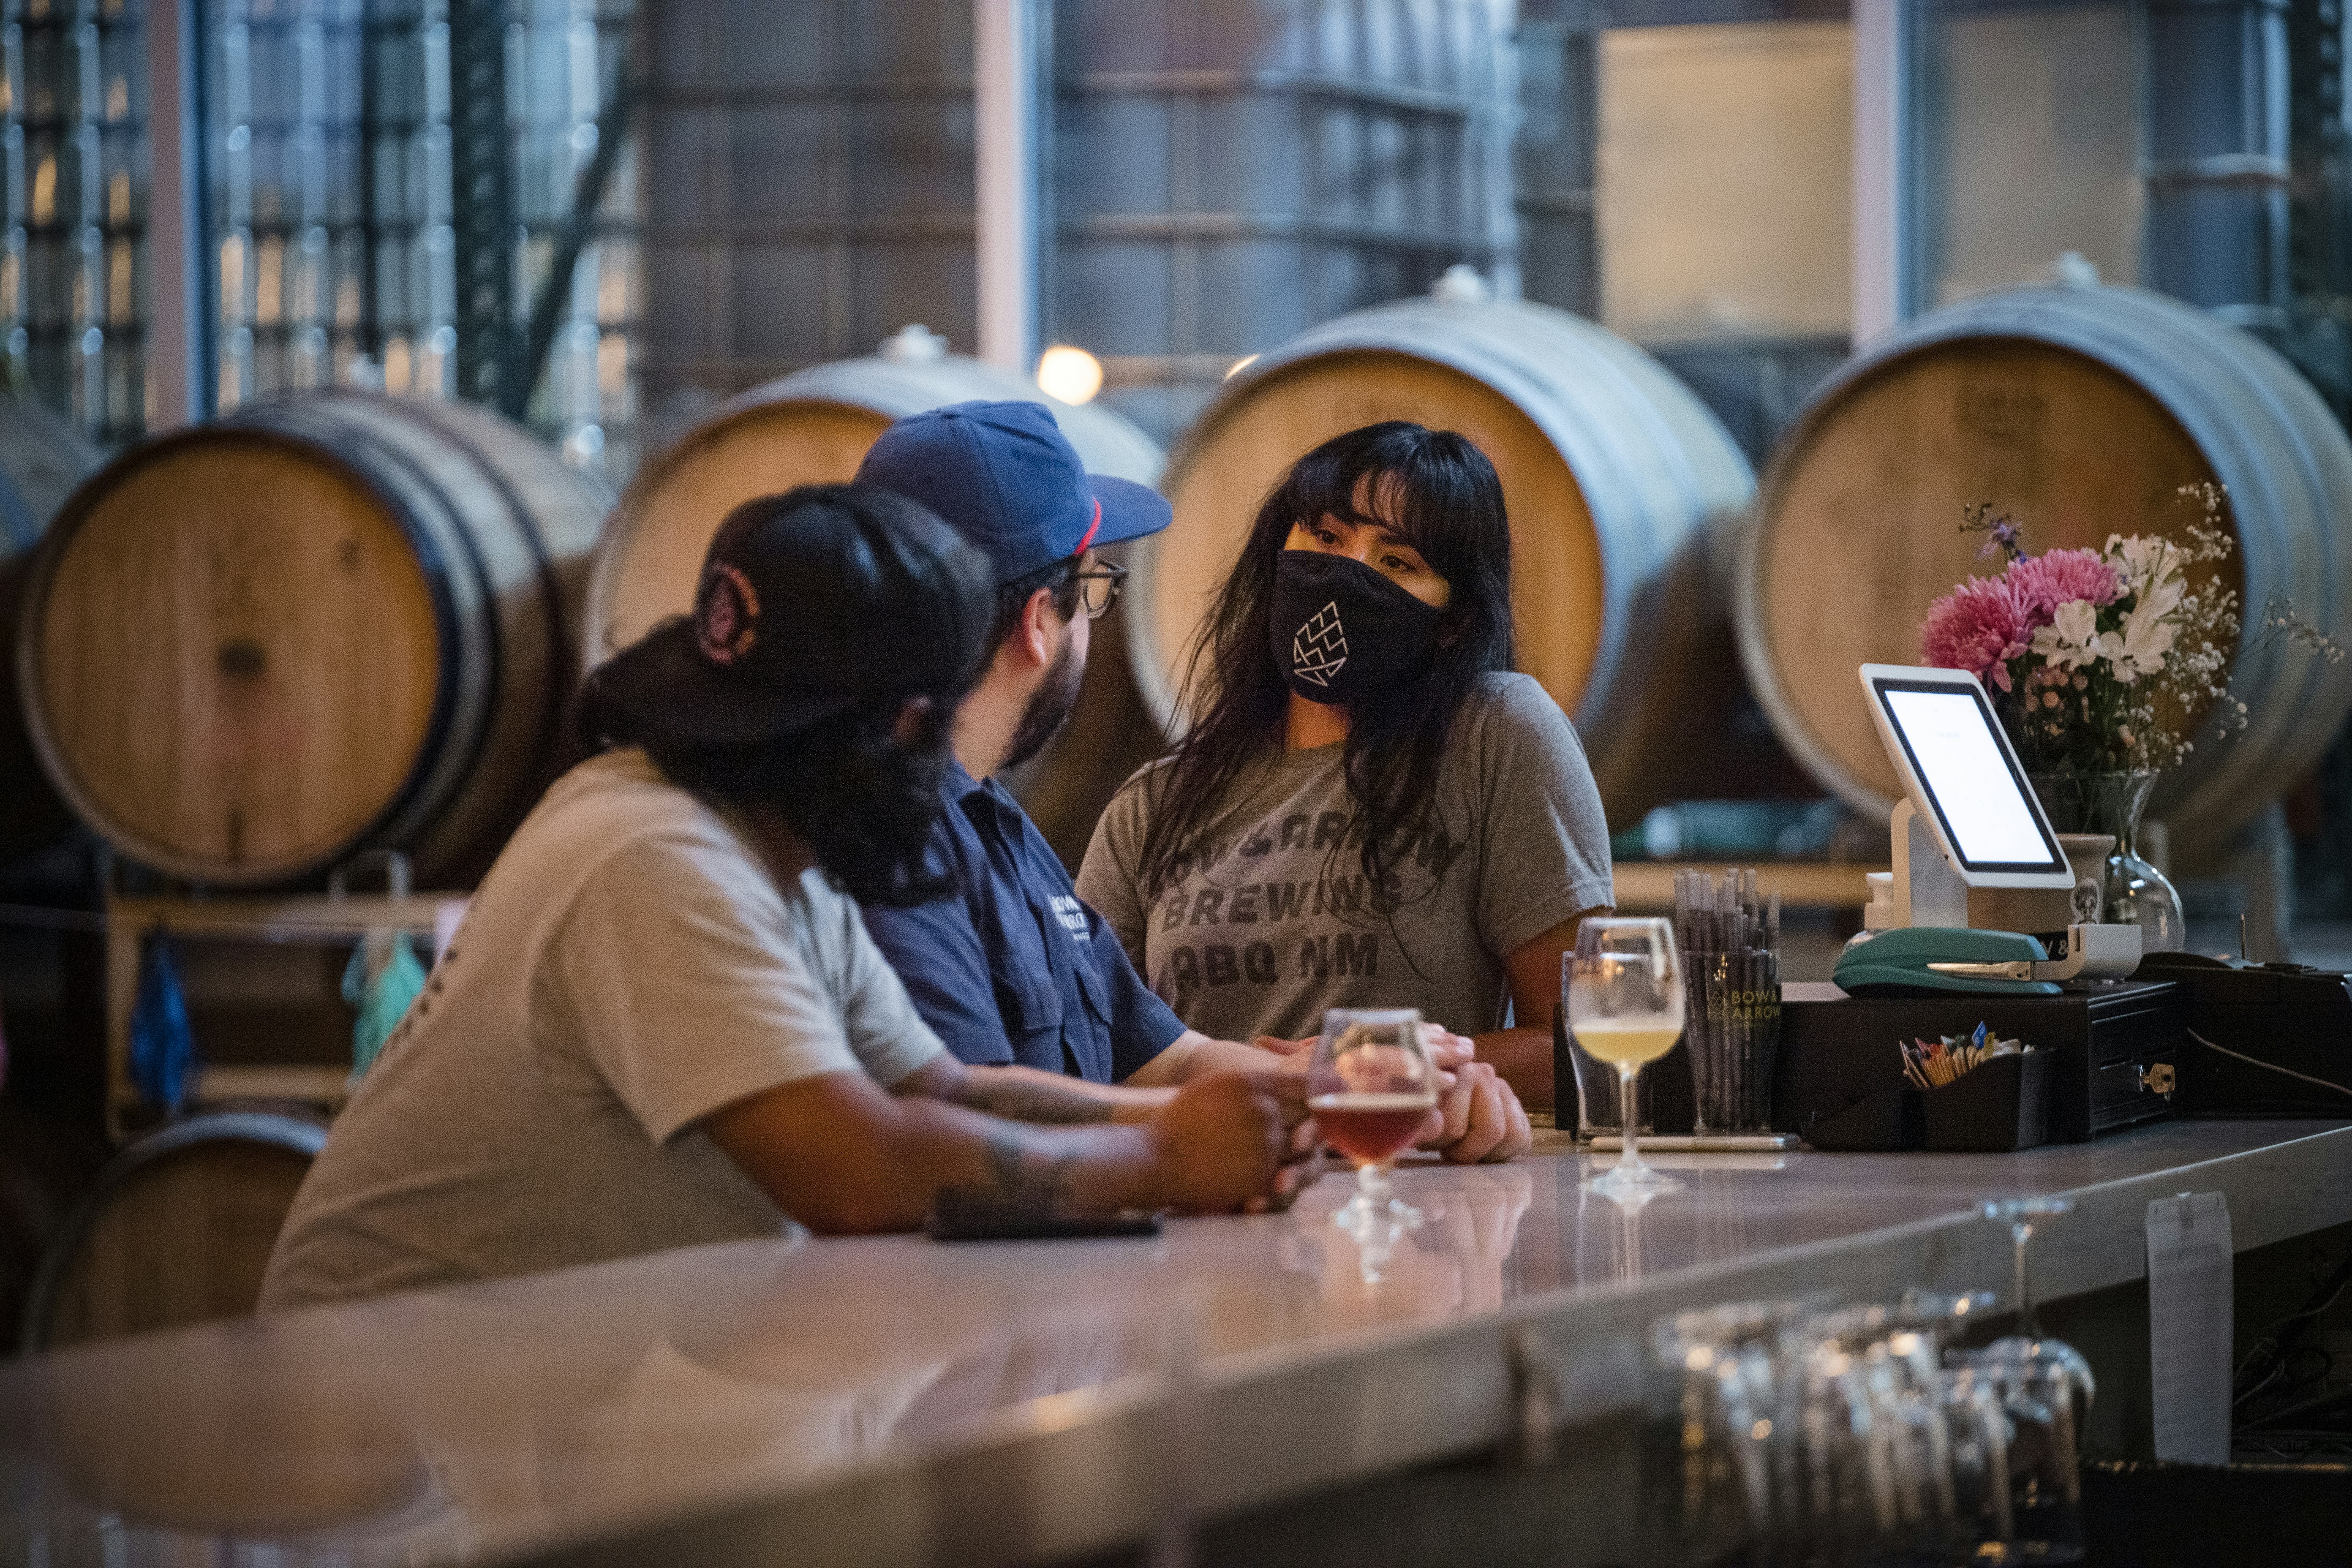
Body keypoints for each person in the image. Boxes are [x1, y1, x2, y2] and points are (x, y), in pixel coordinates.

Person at [261, 485, 1307, 1310]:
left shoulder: (774, 849)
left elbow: (940, 1089)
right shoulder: (654, 853)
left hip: (523, 1386)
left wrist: (1215, 1115)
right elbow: (855, 1166)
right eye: (927, 725)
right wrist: (1159, 1156)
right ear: (886, 728)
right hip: (382, 1425)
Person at [852, 403, 1527, 1162]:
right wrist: (1194, 1141)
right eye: (1094, 588)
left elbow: (1168, 1057)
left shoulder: (999, 829)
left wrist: (1357, 1081)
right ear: (1041, 622)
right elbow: (974, 1120)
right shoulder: (893, 846)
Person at [1074, 422, 1615, 1111]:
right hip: (1216, 1191)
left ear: (1453, 620)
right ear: (1281, 552)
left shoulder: (1494, 736)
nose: (1349, 573)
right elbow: (1086, 1043)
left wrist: (1377, 1072)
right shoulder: (1154, 802)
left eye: (1397, 562)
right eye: (1327, 539)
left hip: (1407, 1185)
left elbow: (1585, 1041)